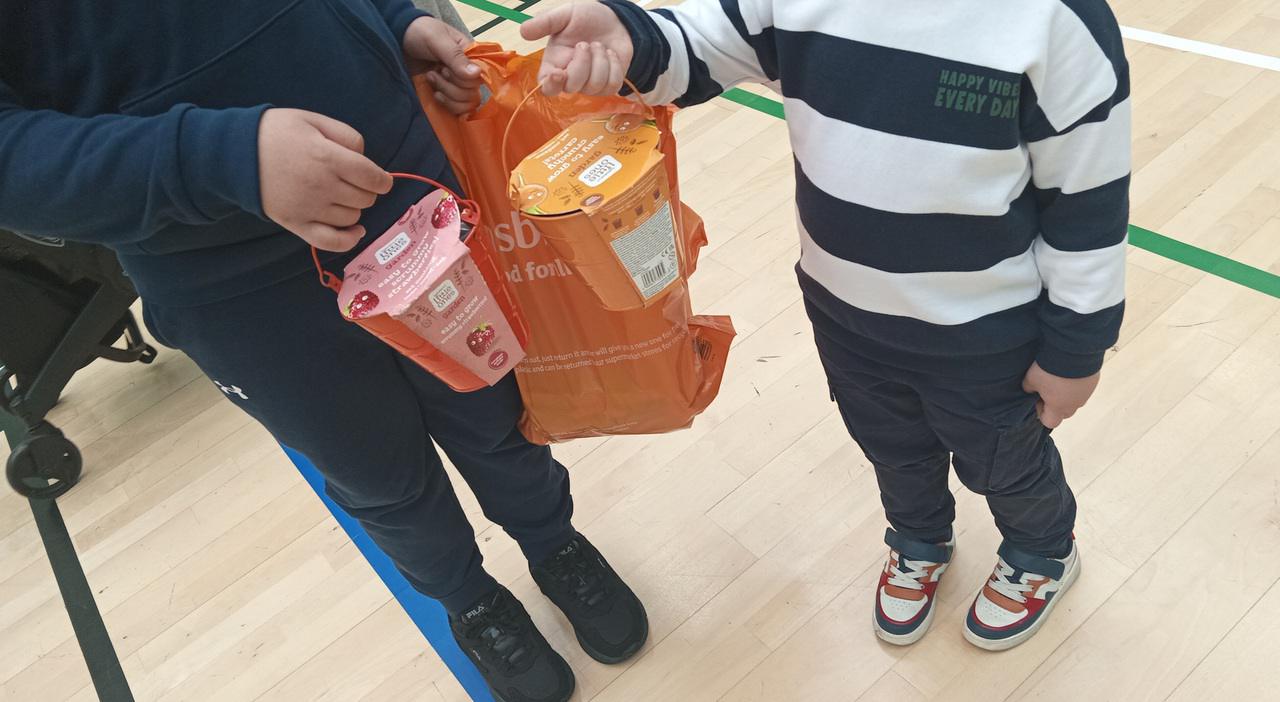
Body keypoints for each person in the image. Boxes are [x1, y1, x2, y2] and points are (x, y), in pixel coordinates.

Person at [0, 2, 647, 699]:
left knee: (496, 411)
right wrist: (221, 158)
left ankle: (553, 543)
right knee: (378, 477)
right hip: (225, 279)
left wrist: (391, 22)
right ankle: (471, 601)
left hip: (407, 186)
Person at [524, 0, 1129, 650]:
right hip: (848, 318)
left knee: (1006, 462)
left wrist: (1077, 348)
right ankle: (919, 537)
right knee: (892, 449)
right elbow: (702, 43)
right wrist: (632, 40)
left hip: (985, 336)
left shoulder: (1054, 22)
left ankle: (1042, 551)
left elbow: (1088, 206)